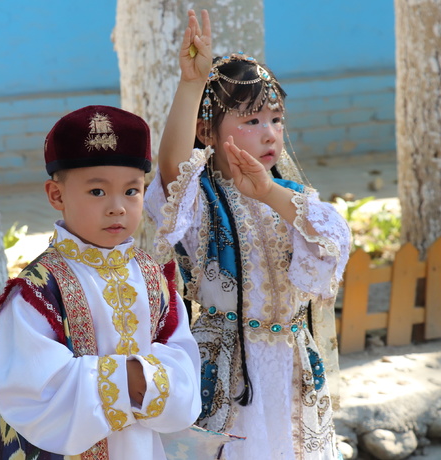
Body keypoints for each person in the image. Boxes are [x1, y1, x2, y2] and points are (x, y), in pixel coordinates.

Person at [144, 10, 351, 459]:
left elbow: (330, 242)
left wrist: (271, 192)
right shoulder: (202, 200)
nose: (269, 133)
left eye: (276, 119)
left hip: (293, 366)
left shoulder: (293, 198)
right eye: (252, 121)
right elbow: (172, 173)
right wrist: (190, 85)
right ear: (207, 132)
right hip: (226, 369)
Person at [0, 105, 202, 460]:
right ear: (56, 195)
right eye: (97, 192)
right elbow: (27, 387)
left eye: (132, 191)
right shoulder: (38, 290)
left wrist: (146, 381)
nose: (117, 207)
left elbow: (184, 360)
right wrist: (131, 378)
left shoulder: (151, 276)